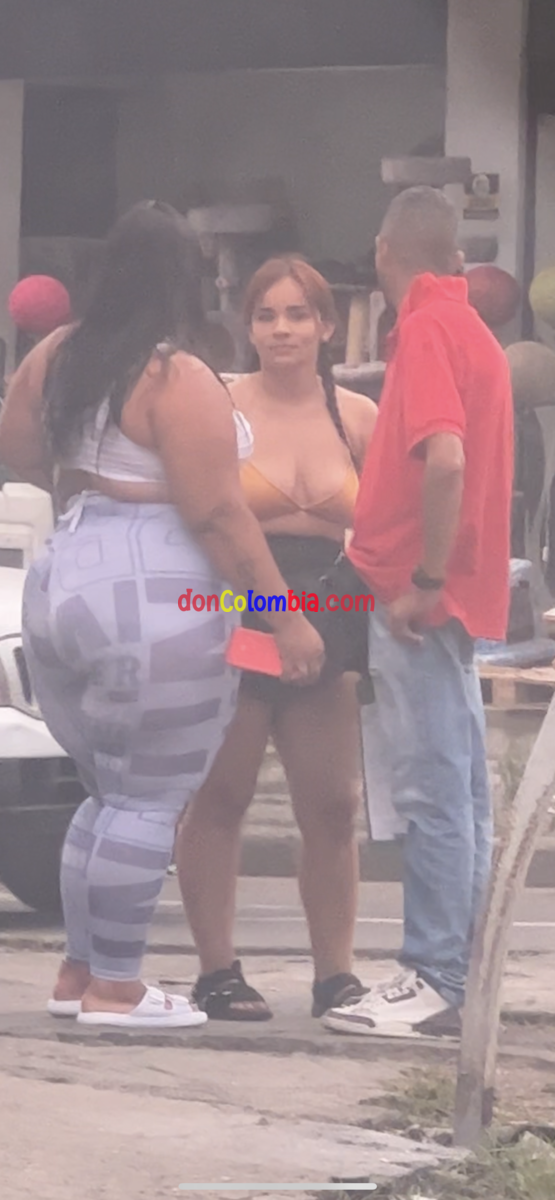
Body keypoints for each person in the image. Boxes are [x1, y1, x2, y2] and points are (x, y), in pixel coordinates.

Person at [0, 203, 324, 1030]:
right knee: (149, 797)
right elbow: (217, 513)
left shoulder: (54, 353)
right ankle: (116, 986)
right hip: (157, 586)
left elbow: (19, 450)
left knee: (106, 793)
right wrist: (283, 616)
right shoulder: (174, 376)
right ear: (187, 281)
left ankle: (80, 971)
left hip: (66, 572)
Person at [322, 186, 514, 1038]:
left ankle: (433, 973)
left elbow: (445, 459)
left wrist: (425, 578)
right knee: (461, 793)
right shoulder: (473, 330)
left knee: (430, 791)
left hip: (418, 596)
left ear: (382, 252)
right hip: (454, 594)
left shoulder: (429, 330)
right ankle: (459, 969)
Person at [176, 256, 378, 1021]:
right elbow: (204, 519)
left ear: (326, 326)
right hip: (236, 606)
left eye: (297, 314)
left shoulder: (356, 415)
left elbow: (386, 525)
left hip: (331, 616)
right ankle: (217, 970)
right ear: (248, 327)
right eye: (266, 315)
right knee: (220, 794)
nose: (282, 329)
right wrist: (273, 613)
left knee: (331, 805)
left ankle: (335, 975)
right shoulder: (219, 406)